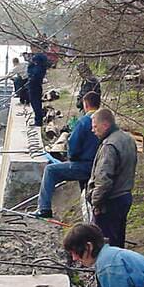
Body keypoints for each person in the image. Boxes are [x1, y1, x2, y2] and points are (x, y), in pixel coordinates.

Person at [29, 91, 102, 219]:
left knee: (50, 170)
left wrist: (71, 158)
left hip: (85, 166)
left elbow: (73, 147)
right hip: (100, 166)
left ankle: (44, 208)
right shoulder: (105, 120)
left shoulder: (84, 122)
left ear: (86, 105)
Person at [87, 109, 137, 248]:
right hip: (125, 196)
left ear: (105, 125)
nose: (92, 130)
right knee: (118, 240)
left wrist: (95, 202)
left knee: (106, 245)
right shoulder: (127, 139)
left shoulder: (109, 146)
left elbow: (104, 180)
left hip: (110, 202)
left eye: (95, 126)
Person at [26, 42, 50, 127]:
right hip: (38, 82)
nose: (31, 50)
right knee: (37, 101)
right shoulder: (42, 57)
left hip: (34, 82)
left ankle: (38, 121)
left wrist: (31, 77)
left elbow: (36, 70)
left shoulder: (37, 58)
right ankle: (38, 119)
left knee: (35, 102)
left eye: (32, 48)